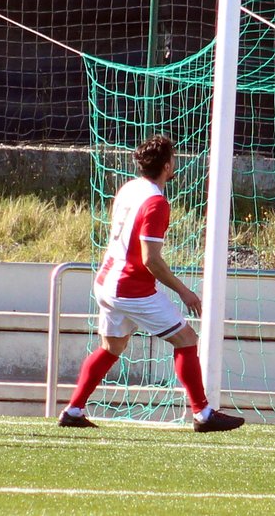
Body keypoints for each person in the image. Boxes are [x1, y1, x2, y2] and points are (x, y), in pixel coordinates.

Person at [58, 135, 245, 432]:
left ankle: (73, 410)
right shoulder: (156, 203)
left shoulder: (129, 188)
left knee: (111, 347)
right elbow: (151, 260)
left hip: (107, 280)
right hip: (130, 287)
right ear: (167, 166)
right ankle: (203, 414)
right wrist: (184, 292)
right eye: (174, 159)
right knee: (186, 339)